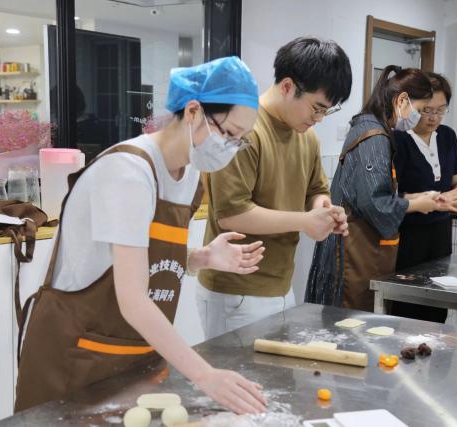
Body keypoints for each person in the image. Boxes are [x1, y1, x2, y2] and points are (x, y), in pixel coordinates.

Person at [15, 57, 268, 415]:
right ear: (193, 111)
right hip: (75, 356)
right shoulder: (128, 173)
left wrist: (200, 258)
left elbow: (138, 255)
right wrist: (205, 375)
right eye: (228, 134)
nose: (230, 147)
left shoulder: (188, 174)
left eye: (239, 141)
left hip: (134, 355)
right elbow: (133, 299)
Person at [197, 37, 352, 340]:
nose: (319, 119)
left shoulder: (306, 136)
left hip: (281, 285)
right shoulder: (243, 130)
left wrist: (323, 210)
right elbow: (232, 214)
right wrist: (305, 222)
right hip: (236, 290)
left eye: (327, 111)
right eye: (316, 108)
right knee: (235, 372)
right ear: (287, 86)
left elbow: (316, 190)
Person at [305, 66, 450, 312]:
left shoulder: (369, 128)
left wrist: (413, 197)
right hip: (353, 252)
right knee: (350, 320)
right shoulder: (374, 136)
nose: (420, 118)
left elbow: (370, 191)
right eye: (420, 110)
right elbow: (374, 203)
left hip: (349, 247)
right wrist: (416, 204)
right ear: (402, 100)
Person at [390, 72, 457, 323]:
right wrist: (432, 199)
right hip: (407, 235)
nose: (434, 117)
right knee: (406, 306)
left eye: (441, 110)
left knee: (437, 304)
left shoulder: (447, 136)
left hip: (440, 233)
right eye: (427, 110)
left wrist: (452, 198)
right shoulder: (397, 138)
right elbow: (390, 195)